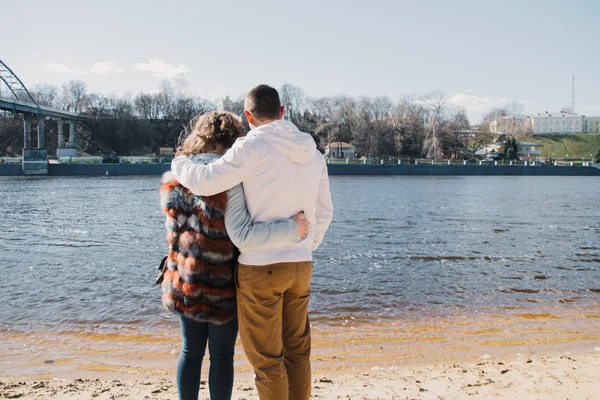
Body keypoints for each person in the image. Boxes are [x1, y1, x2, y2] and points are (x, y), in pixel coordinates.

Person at [171, 85, 334, 400]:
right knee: (298, 352)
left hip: (260, 268)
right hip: (300, 265)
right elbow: (325, 211)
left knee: (268, 360)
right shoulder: (313, 154)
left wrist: (180, 163)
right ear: (282, 112)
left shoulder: (250, 148)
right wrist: (305, 244)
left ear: (248, 116)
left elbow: (205, 180)